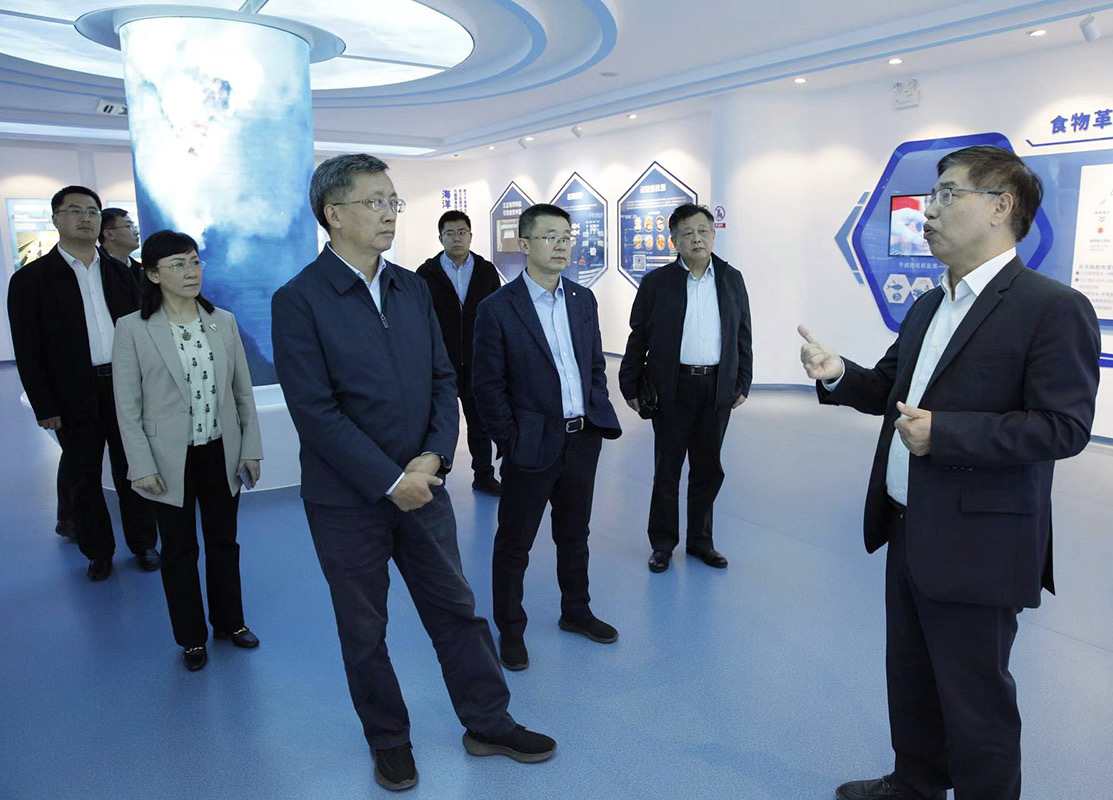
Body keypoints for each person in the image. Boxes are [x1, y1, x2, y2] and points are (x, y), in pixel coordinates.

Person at [798, 145, 1101, 800]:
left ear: (1000, 207)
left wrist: (947, 433)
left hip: (981, 542)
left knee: (975, 700)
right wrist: (837, 374)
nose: (927, 212)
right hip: (909, 527)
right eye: (929, 198)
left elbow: (1063, 427)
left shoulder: (1051, 307)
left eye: (946, 195)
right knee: (910, 677)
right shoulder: (929, 305)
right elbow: (890, 388)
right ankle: (916, 784)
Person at [272, 154, 555, 792]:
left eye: (393, 201)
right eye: (374, 202)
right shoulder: (300, 300)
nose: (389, 213)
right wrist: (388, 479)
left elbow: (442, 380)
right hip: (346, 501)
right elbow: (314, 411)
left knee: (457, 610)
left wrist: (433, 458)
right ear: (333, 213)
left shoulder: (410, 287)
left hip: (424, 487)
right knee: (364, 629)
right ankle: (389, 741)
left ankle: (489, 722)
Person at [472, 203, 622, 672]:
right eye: (550, 237)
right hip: (531, 443)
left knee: (575, 534)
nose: (561, 246)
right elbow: (487, 386)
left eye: (566, 237)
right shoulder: (498, 309)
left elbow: (594, 365)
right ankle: (510, 628)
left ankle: (575, 611)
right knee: (515, 543)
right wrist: (512, 440)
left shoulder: (582, 300)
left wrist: (594, 409)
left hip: (582, 438)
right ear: (525, 244)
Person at [112, 230, 263, 672]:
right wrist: (141, 465)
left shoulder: (223, 321)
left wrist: (250, 449)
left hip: (220, 450)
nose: (191, 271)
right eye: (177, 264)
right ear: (153, 274)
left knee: (224, 541)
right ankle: (191, 638)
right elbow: (127, 407)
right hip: (167, 458)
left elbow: (242, 393)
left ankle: (230, 622)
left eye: (195, 262)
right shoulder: (132, 329)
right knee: (178, 550)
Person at [7, 185, 158, 580]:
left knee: (134, 468)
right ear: (56, 219)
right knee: (84, 476)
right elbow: (28, 349)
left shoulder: (121, 272)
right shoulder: (31, 280)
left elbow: (144, 332)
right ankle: (98, 551)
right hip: (73, 392)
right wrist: (45, 406)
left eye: (92, 211)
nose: (86, 218)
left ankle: (143, 543)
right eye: (75, 210)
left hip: (124, 386)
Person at [619, 203, 752, 573]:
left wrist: (743, 381)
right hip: (671, 388)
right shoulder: (657, 283)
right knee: (667, 469)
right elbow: (638, 336)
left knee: (708, 470)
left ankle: (701, 542)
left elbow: (743, 334)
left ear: (713, 235)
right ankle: (662, 544)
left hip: (716, 388)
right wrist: (629, 383)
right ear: (674, 241)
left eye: (703, 231)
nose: (697, 238)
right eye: (688, 233)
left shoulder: (731, 279)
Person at [416, 210, 503, 495]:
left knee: (480, 424)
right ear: (440, 237)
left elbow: (497, 317)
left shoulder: (486, 271)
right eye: (450, 233)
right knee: (438, 424)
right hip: (440, 365)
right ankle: (433, 479)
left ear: (471, 235)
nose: (457, 238)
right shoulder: (425, 274)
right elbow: (417, 320)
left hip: (478, 363)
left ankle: (484, 475)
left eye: (462, 232)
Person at [99, 207, 144, 286]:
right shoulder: (97, 268)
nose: (136, 232)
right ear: (109, 234)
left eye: (134, 227)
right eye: (129, 226)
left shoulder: (140, 269)